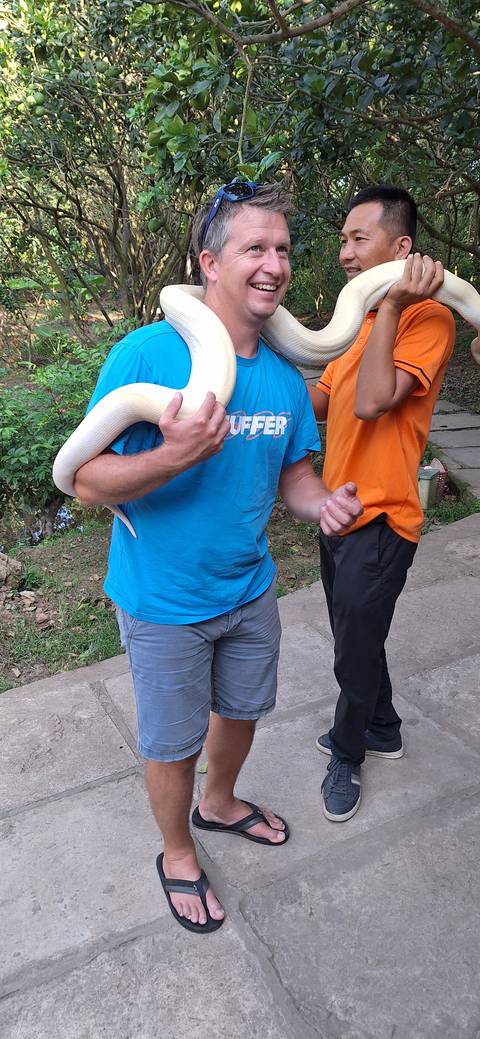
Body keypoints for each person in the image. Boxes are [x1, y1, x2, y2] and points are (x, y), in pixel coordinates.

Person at [74, 181, 363, 933]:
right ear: (209, 262)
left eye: (283, 249)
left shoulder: (283, 378)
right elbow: (85, 481)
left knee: (240, 713)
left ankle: (221, 801)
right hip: (165, 600)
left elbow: (295, 476)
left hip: (249, 589)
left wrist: (323, 504)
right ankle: (177, 852)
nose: (275, 264)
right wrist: (173, 455)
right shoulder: (147, 354)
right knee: (173, 744)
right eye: (255, 248)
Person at [309, 185, 456, 823]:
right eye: (342, 240)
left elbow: (372, 402)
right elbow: (318, 403)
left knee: (352, 650)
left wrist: (395, 302)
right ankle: (385, 726)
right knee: (358, 637)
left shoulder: (428, 320)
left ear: (401, 249)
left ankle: (348, 752)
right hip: (336, 511)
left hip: (384, 518)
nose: (344, 252)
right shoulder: (358, 323)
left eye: (357, 239)